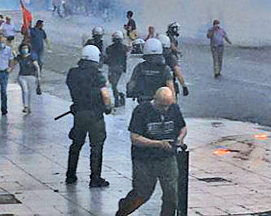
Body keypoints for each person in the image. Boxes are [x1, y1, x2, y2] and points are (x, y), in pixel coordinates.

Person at [116, 87, 187, 216]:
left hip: (167, 158)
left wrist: (180, 139)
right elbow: (135, 138)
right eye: (161, 106)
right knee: (143, 193)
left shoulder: (174, 108)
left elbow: (182, 127)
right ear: (155, 100)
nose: (165, 109)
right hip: (144, 159)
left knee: (171, 193)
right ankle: (123, 210)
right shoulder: (141, 111)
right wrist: (158, 144)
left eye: (167, 106)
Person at [65, 45, 111, 187]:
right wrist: (108, 107)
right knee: (96, 146)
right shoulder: (97, 74)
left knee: (76, 144)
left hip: (79, 113)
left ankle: (70, 175)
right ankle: (95, 178)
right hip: (95, 115)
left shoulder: (72, 73)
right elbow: (104, 93)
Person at [126, 38, 175, 103]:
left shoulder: (140, 67)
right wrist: (173, 104)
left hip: (142, 101)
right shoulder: (165, 69)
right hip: (160, 102)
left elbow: (131, 84)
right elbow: (171, 88)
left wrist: (130, 93)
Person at [158, 34, 189, 100]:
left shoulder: (151, 58)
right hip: (169, 86)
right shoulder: (170, 57)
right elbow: (177, 71)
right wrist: (184, 85)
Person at [13, 42, 40, 114]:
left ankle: (29, 106)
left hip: (31, 76)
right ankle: (25, 106)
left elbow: (37, 67)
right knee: (25, 90)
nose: (24, 50)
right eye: (23, 48)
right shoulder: (19, 57)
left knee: (30, 92)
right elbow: (13, 65)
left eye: (26, 48)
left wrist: (38, 77)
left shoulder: (32, 57)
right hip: (22, 76)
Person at [105, 31, 129, 107]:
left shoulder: (109, 48)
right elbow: (126, 59)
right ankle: (120, 99)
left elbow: (107, 59)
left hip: (113, 69)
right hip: (120, 69)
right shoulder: (124, 48)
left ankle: (117, 100)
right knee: (119, 87)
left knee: (114, 86)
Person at [30, 20, 49, 93]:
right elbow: (27, 35)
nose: (42, 25)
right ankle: (33, 72)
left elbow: (45, 38)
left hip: (40, 49)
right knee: (34, 62)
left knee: (40, 62)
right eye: (41, 24)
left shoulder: (42, 31)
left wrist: (48, 45)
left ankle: (38, 72)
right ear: (38, 24)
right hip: (33, 49)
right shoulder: (32, 30)